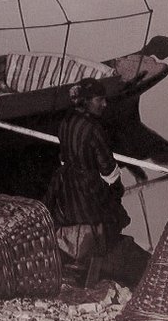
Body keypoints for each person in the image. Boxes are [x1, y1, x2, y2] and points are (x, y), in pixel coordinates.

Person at [46, 77, 130, 283]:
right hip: (87, 187)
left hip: (65, 183)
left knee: (68, 218)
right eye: (100, 100)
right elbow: (107, 167)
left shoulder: (66, 122)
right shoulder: (93, 129)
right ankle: (88, 266)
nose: (104, 104)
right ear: (87, 101)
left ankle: (69, 257)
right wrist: (117, 188)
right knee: (112, 216)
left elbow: (64, 157)